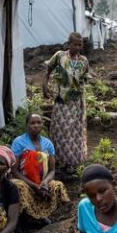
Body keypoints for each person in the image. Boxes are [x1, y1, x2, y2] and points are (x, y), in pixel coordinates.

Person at [10, 113, 70, 225]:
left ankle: (44, 216)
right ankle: (23, 218)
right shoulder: (19, 142)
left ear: (42, 125)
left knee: (57, 186)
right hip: (24, 180)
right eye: (32, 123)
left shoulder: (48, 143)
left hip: (42, 182)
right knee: (18, 186)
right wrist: (34, 185)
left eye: (38, 122)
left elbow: (52, 170)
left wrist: (45, 182)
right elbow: (14, 171)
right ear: (27, 125)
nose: (36, 125)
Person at [43, 33, 90, 171]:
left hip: (76, 102)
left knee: (74, 131)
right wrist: (44, 87)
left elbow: (85, 77)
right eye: (75, 44)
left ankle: (71, 163)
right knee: (60, 130)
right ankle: (57, 161)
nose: (77, 47)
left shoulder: (83, 61)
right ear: (68, 44)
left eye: (80, 45)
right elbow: (48, 70)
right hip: (62, 100)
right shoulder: (60, 56)